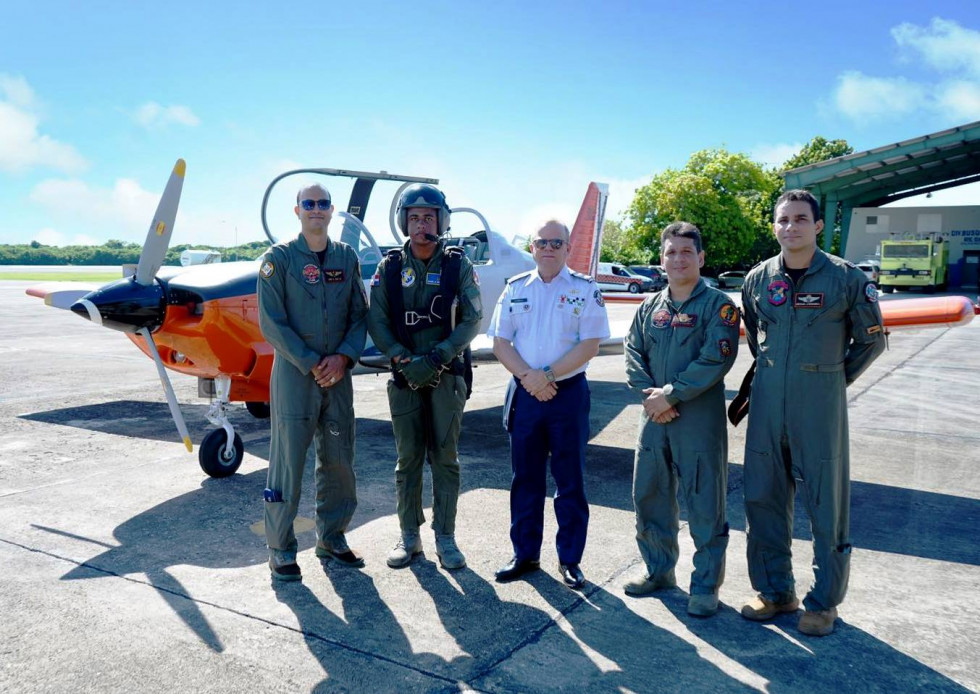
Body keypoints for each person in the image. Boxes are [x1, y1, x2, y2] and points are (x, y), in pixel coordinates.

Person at [740, 189, 886, 636]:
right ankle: (775, 592)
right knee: (762, 498)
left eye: (800, 219)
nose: (791, 227)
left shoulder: (845, 279)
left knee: (826, 502)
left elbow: (872, 340)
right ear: (774, 226)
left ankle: (824, 602)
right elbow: (754, 334)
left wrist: (829, 379)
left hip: (819, 406)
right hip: (766, 404)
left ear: (818, 226)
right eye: (783, 220)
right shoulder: (759, 279)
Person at [623, 222, 740, 616]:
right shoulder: (648, 307)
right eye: (671, 252)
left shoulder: (719, 306)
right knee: (650, 496)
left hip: (698, 420)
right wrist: (651, 397)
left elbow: (717, 359)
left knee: (704, 501)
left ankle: (706, 586)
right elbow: (632, 353)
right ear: (661, 259)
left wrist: (669, 395)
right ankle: (659, 571)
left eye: (686, 252)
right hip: (653, 419)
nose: (678, 259)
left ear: (701, 258)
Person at [488, 220, 610, 590]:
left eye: (556, 242)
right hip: (526, 394)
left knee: (569, 480)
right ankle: (525, 553)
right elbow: (500, 343)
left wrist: (548, 376)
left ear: (567, 247)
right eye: (541, 242)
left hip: (567, 395)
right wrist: (530, 377)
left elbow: (590, 345)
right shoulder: (515, 289)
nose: (548, 248)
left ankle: (570, 559)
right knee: (524, 478)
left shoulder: (585, 290)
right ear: (533, 246)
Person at [367, 183, 482, 570]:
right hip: (403, 376)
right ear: (404, 222)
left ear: (441, 221)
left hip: (446, 373)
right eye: (414, 217)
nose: (421, 225)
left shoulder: (457, 265)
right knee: (408, 459)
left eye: (428, 217)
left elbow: (471, 319)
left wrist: (437, 356)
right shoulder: (390, 268)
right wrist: (401, 357)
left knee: (445, 458)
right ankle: (409, 536)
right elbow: (377, 320)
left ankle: (445, 538)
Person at [257, 183, 368, 582]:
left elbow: (359, 315)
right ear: (297, 210)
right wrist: (310, 362)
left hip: (337, 376)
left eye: (323, 204)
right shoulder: (279, 259)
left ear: (332, 210)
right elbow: (272, 322)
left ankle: (332, 537)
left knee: (339, 461)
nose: (316, 210)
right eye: (309, 204)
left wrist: (343, 358)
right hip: (294, 376)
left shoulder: (345, 257)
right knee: (288, 463)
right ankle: (281, 548)